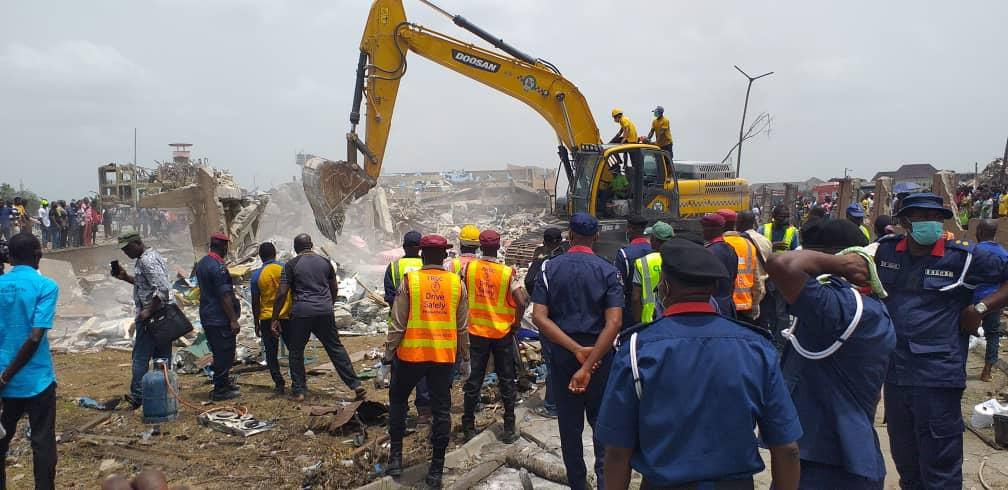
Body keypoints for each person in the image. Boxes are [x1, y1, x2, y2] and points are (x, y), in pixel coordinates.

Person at [598, 238, 802, 490]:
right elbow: (788, 449)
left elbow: (617, 453)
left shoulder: (635, 350)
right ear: (715, 287)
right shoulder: (757, 348)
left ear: (665, 287)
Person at [875, 193, 1008, 488]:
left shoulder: (964, 256)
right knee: (906, 460)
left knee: (940, 466)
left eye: (935, 217)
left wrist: (981, 308)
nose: (930, 223)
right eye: (921, 217)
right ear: (905, 222)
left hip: (937, 375)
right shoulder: (886, 253)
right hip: (895, 375)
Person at [768, 218, 894, 488]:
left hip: (830, 463)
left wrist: (839, 264)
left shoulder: (840, 307)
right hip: (829, 454)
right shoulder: (859, 304)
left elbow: (783, 265)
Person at [531, 212, 623, 490]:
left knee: (570, 429)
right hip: (601, 359)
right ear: (596, 237)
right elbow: (615, 322)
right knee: (603, 426)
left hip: (563, 358)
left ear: (570, 236)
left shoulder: (549, 268)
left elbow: (539, 317)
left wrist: (575, 351)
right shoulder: (607, 270)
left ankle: (578, 485)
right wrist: (590, 360)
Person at [384, 234, 470, 489]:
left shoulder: (410, 281)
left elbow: (397, 324)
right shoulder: (457, 284)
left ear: (422, 254)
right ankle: (436, 470)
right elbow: (462, 326)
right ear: (444, 255)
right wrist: (465, 358)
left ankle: (396, 458)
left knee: (398, 402)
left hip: (410, 356)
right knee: (442, 411)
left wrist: (387, 358)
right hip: (443, 358)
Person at [272, 234, 365, 402]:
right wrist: (328, 304)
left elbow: (282, 293)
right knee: (335, 348)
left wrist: (275, 317)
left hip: (301, 313)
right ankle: (355, 384)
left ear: (295, 248)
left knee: (296, 350)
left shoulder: (290, 265)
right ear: (312, 245)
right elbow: (334, 288)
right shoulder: (325, 262)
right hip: (324, 311)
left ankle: (299, 391)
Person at [0, 233, 59, 489]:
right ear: (38, 255)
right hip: (37, 380)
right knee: (42, 442)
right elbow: (35, 337)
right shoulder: (46, 287)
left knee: (1, 441)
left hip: (2, 384)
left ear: (9, 258)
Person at [461, 230, 528, 443]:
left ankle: (468, 426)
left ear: (481, 247)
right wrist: (516, 323)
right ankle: (509, 426)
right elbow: (521, 301)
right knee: (506, 378)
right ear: (498, 247)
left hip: (476, 332)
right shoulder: (507, 273)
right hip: (501, 333)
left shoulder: (469, 268)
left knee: (474, 380)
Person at [113, 229, 173, 409]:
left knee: (140, 357)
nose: (126, 253)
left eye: (128, 248)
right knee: (162, 356)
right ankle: (164, 390)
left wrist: (147, 312)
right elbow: (147, 285)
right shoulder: (148, 257)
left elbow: (162, 289)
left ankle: (138, 394)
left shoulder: (146, 260)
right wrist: (125, 277)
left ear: (138, 243)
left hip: (152, 317)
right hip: (160, 315)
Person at [382, 231, 432, 418]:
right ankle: (424, 411)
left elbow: (389, 297)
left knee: (399, 369)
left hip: (399, 325)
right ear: (421, 248)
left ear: (404, 246)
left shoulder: (394, 267)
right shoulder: (427, 266)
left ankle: (399, 410)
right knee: (423, 368)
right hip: (424, 325)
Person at [194, 232, 242, 401]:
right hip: (219, 318)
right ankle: (221, 389)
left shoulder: (202, 263)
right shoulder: (217, 267)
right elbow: (224, 296)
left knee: (219, 350)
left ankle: (224, 382)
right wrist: (233, 319)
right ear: (223, 246)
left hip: (208, 315)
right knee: (225, 352)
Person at [525, 227, 564, 418]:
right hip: (569, 317)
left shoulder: (543, 261)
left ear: (545, 241)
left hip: (550, 318)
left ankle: (552, 406)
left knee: (552, 363)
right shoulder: (566, 258)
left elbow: (529, 281)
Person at [250, 242, 292, 395]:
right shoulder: (285, 269)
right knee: (293, 350)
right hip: (287, 315)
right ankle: (297, 382)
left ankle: (279, 383)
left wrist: (256, 322)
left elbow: (255, 302)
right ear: (275, 253)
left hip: (267, 318)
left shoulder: (256, 275)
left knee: (271, 352)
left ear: (260, 256)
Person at [974, 219, 1008, 382]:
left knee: (962, 332)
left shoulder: (973, 250)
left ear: (979, 231)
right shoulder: (1004, 254)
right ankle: (987, 371)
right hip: (994, 301)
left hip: (971, 300)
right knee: (993, 334)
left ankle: (957, 367)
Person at [719, 209, 766, 323]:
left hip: (724, 307)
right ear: (735, 223)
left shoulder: (718, 245)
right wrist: (754, 305)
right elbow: (757, 282)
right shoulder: (748, 244)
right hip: (745, 305)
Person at [630, 221, 674, 324]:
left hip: (649, 321)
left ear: (654, 240)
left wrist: (637, 322)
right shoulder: (677, 259)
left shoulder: (643, 262)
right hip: (672, 318)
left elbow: (636, 298)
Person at [615, 215, 653, 327]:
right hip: (655, 308)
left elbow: (619, 286)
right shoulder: (655, 250)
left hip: (631, 312)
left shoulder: (624, 254)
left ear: (630, 229)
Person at [701, 213, 739, 318]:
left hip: (713, 307)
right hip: (728, 306)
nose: (702, 231)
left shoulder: (708, 252)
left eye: (704, 228)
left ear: (712, 229)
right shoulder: (731, 250)